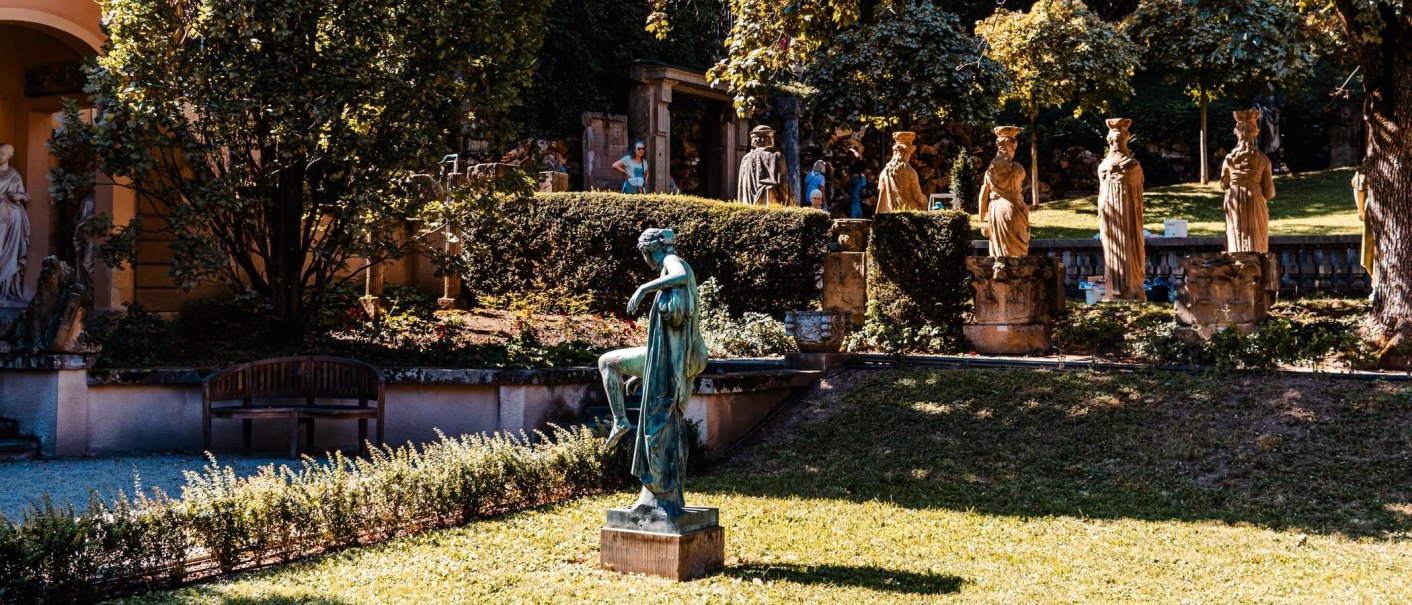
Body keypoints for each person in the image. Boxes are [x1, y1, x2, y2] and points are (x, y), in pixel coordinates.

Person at [598, 228, 708, 516]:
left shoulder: (672, 262)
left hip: (672, 361)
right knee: (612, 365)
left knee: (607, 362)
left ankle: (620, 421)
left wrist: (644, 288)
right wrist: (642, 376)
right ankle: (662, 494)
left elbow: (680, 273)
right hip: (668, 359)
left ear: (648, 251)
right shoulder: (669, 275)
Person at [1096, 118, 1146, 301]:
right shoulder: (1105, 166)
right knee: (1112, 246)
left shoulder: (1132, 165)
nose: (1116, 143)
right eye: (1113, 139)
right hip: (1110, 212)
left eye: (1119, 139)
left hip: (1128, 213)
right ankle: (1115, 289)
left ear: (1125, 140)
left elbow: (1137, 194)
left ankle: (1131, 287)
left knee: (1128, 245)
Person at [1220, 110, 1276, 253]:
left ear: (1237, 133)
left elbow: (1223, 184)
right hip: (1255, 198)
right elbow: (1269, 193)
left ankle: (1237, 263)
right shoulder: (1263, 160)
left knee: (1236, 231)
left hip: (1234, 198)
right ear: (1255, 133)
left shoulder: (1229, 159)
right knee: (1257, 241)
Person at [977, 126, 1029, 257]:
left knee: (998, 252)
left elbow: (983, 195)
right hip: (1012, 207)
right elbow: (1018, 190)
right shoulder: (1017, 168)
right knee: (1018, 252)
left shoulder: (990, 169)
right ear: (1013, 146)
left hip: (994, 208)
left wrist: (982, 218)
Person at [0, 143, 31, 302]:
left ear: (9, 155)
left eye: (3, 153)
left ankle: (6, 289)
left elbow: (26, 196)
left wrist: (20, 196)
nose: (0, 156)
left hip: (13, 218)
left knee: (11, 253)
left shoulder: (14, 174)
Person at [846, 155, 868, 219]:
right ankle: (857, 217)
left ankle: (855, 217)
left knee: (855, 200)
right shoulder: (861, 164)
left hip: (855, 181)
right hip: (858, 181)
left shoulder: (853, 163)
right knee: (856, 200)